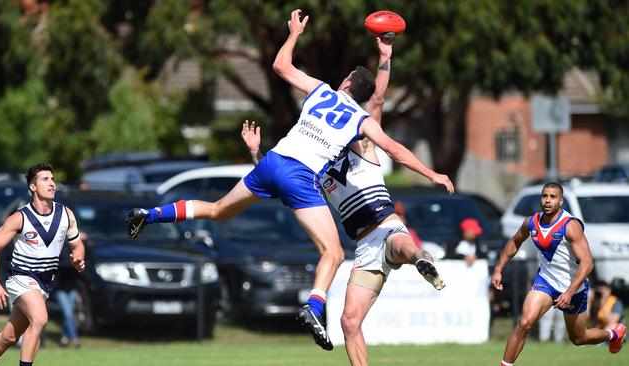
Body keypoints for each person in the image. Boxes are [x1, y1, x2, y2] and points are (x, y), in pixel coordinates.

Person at [126, 9, 453, 351]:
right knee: (332, 252)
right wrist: (432, 173)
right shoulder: (360, 124)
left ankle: (149, 215)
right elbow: (396, 148)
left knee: (218, 209)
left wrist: (295, 33)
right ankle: (313, 306)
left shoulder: (322, 91)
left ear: (345, 83)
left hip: (272, 162)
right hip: (299, 175)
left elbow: (281, 66)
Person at [241, 35, 448, 364]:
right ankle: (416, 258)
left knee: (399, 246)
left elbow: (376, 99)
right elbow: (276, 182)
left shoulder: (363, 144)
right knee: (349, 322)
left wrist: (385, 56)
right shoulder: (313, 169)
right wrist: (256, 155)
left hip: (384, 224)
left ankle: (420, 258)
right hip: (362, 245)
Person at [492, 182, 625, 366]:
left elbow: (587, 263)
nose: (547, 201)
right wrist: (498, 269)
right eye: (545, 196)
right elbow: (515, 242)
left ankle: (614, 333)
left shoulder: (570, 226)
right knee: (524, 323)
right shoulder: (532, 222)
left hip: (574, 288)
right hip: (545, 282)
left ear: (561, 201)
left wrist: (569, 292)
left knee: (578, 338)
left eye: (552, 197)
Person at [0, 163, 86, 366]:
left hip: (45, 283)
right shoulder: (20, 218)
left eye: (53, 179)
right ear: (33, 187)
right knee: (40, 319)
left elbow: (77, 245)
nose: (51, 183)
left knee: (9, 337)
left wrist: (78, 258)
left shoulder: (66, 215)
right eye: (45, 179)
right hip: (21, 277)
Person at [54, 243, 83, 347]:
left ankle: (64, 338)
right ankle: (75, 338)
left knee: (69, 314)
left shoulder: (77, 248)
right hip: (60, 289)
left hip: (72, 288)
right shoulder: (57, 249)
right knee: (68, 313)